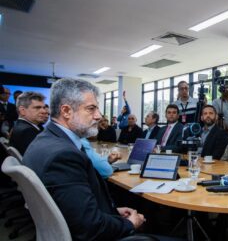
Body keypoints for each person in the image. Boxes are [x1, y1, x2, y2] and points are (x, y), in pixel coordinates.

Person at [22, 78, 146, 240]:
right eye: (91, 109)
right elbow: (90, 227)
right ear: (66, 111)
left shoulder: (44, 140)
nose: (99, 116)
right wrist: (130, 224)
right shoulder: (63, 156)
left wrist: (112, 212)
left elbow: (74, 207)